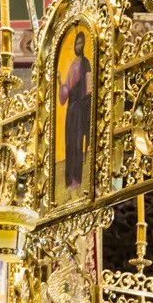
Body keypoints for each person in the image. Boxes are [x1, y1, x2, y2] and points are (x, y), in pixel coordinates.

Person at [58, 31, 94, 194]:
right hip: (71, 109)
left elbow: (89, 88)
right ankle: (69, 180)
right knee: (69, 142)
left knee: (77, 143)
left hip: (81, 108)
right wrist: (60, 83)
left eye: (80, 43)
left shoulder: (85, 63)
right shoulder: (72, 64)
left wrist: (87, 110)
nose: (77, 46)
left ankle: (77, 180)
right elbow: (65, 93)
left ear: (84, 45)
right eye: (76, 43)